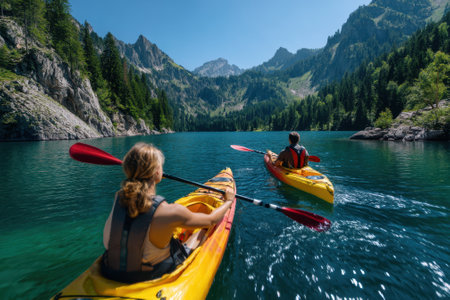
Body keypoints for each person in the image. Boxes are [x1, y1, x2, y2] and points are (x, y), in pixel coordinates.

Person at [101, 143, 235, 283]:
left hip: (110, 270)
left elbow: (139, 195)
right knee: (201, 230)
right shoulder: (169, 211)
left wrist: (152, 178)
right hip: (151, 274)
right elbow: (211, 220)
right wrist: (228, 201)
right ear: (157, 172)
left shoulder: (119, 197)